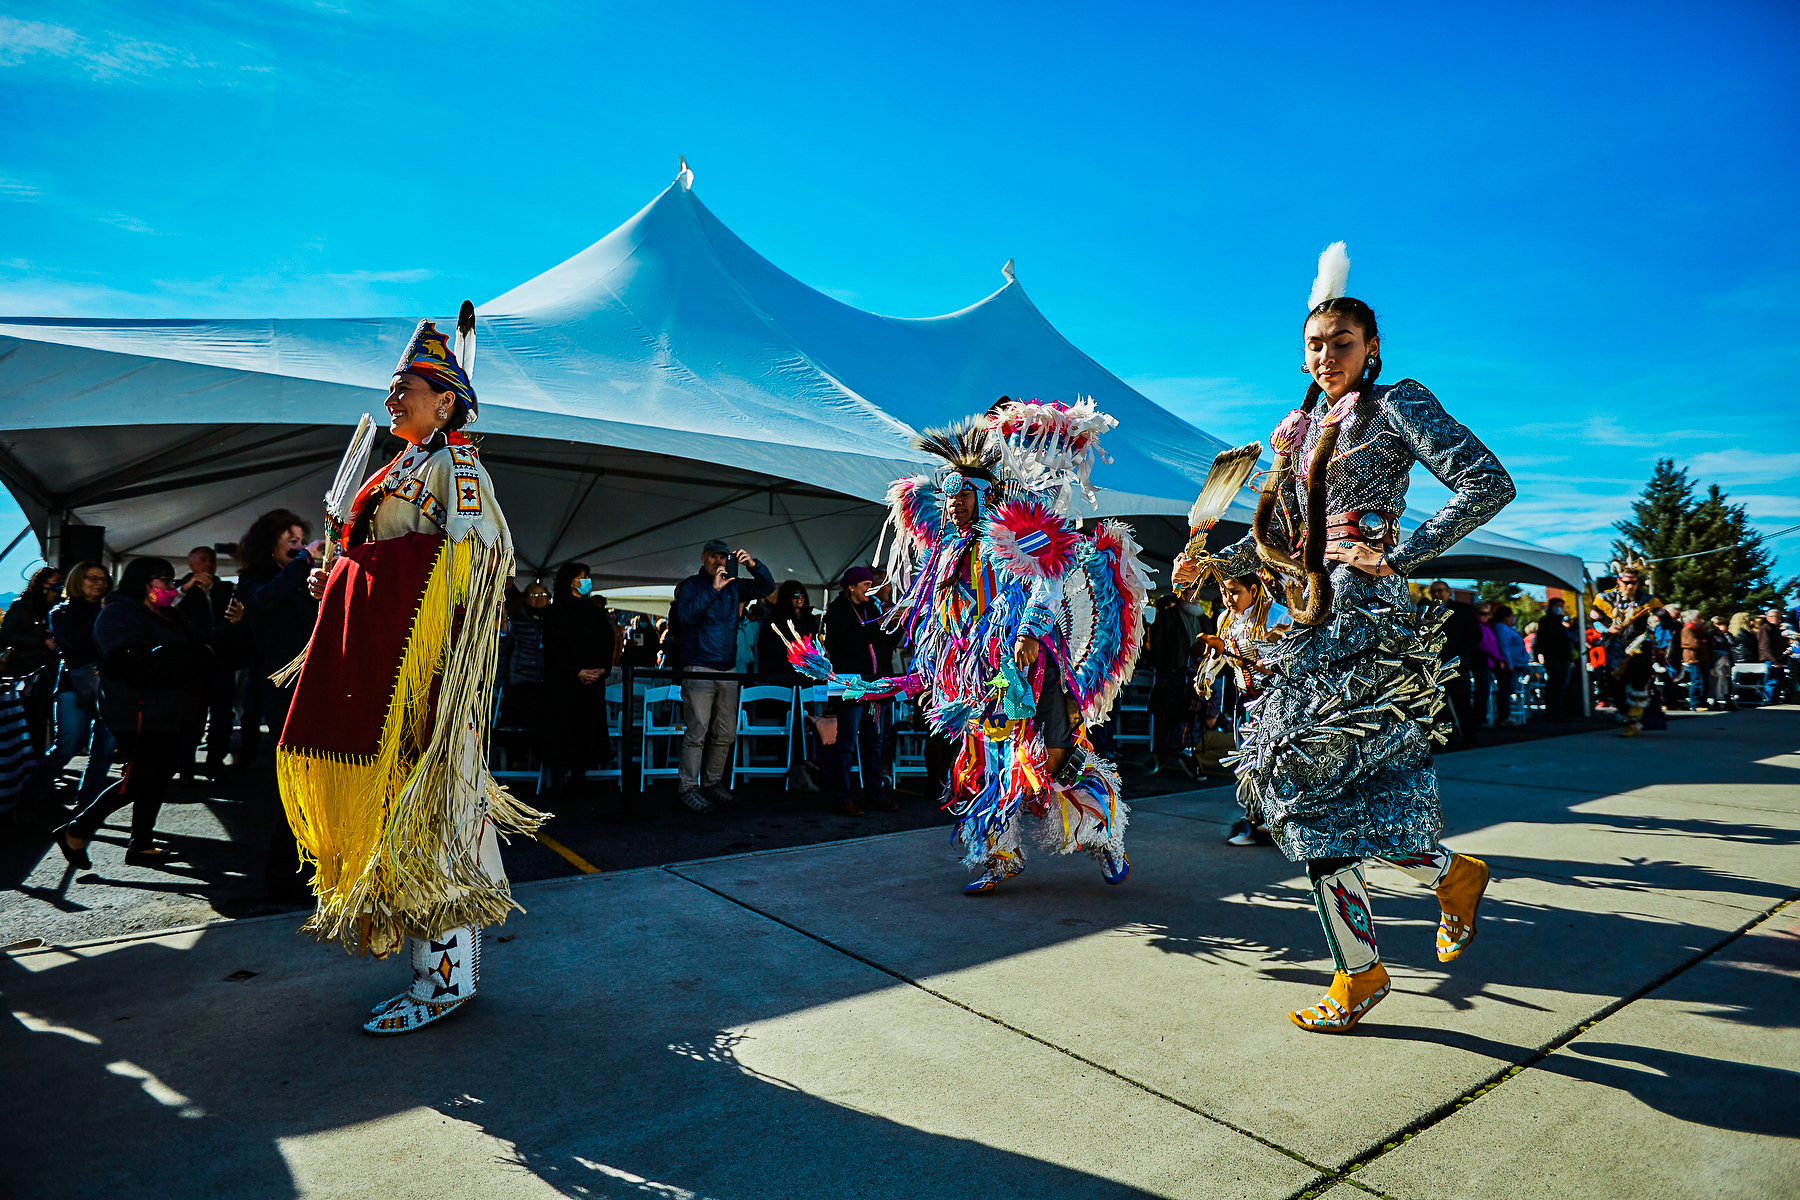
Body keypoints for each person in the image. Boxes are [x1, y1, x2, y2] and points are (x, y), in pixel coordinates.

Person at [1174, 243, 1512, 1032]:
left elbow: (1487, 481)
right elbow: (1285, 540)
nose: (1327, 356)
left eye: (1342, 343)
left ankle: (1372, 959)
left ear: (1372, 349)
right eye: (1315, 346)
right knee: (1320, 796)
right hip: (1311, 615)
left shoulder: (1398, 403)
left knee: (1293, 782)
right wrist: (1209, 563)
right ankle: (1435, 889)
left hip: (1364, 622)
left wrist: (1397, 550)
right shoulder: (1296, 436)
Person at [279, 315, 545, 1035]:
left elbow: (479, 561)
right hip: (384, 670)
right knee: (398, 814)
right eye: (391, 389)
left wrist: (364, 575)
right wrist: (337, 580)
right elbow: (387, 557)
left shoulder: (457, 467)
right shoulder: (396, 468)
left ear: (447, 401)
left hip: (422, 677)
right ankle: (428, 972)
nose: (393, 399)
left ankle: (446, 978)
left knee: (434, 816)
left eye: (407, 389)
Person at [787, 400, 1148, 893]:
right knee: (988, 771)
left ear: (985, 494)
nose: (954, 502)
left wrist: (1025, 634)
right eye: (949, 493)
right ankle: (1000, 857)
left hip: (1029, 674)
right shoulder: (943, 553)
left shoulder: (1012, 537)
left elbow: (1046, 580)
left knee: (1051, 767)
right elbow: (938, 620)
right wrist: (924, 669)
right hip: (975, 681)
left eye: (965, 493)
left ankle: (1106, 836)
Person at [54, 558, 213, 870]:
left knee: (156, 777)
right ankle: (76, 831)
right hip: (135, 710)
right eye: (164, 580)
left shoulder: (168, 614)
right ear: (143, 582)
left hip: (167, 708)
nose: (170, 587)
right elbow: (135, 662)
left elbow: (203, 643)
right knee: (140, 778)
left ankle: (141, 845)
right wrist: (188, 658)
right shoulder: (117, 613)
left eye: (171, 580)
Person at [12, 562, 117, 828]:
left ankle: (87, 810)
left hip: (112, 686)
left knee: (103, 751)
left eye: (103, 579)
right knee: (67, 746)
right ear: (77, 580)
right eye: (92, 578)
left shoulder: (115, 610)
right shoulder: (61, 612)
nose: (99, 583)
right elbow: (78, 644)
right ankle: (30, 797)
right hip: (74, 686)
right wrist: (101, 615)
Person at [671, 539, 773, 812]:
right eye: (715, 557)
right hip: (699, 666)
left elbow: (767, 588)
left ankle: (712, 783)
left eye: (723, 558)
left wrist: (753, 565)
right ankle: (688, 788)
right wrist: (714, 589)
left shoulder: (736, 586)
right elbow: (687, 616)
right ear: (703, 558)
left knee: (726, 732)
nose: (720, 562)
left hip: (728, 669)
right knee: (697, 731)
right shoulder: (692, 586)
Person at [1192, 570, 1288, 845]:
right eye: (1224, 593)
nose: (1227, 599)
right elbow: (1217, 655)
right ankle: (1254, 820)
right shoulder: (1225, 620)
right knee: (1248, 764)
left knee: (1274, 763)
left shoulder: (1278, 615)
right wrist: (1206, 678)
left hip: (1278, 702)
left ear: (1254, 591)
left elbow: (1300, 653)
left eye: (1234, 592)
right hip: (1246, 701)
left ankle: (1276, 820)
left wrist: (1273, 665)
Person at [235, 509, 319, 769]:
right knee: (295, 752)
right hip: (283, 675)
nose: (300, 547)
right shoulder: (252, 582)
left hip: (315, 671)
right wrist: (304, 558)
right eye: (292, 542)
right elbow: (267, 597)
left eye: (302, 542)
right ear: (269, 546)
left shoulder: (303, 579)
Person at [821, 566, 900, 816]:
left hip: (877, 685)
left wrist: (895, 624)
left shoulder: (873, 609)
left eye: (871, 584)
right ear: (851, 587)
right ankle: (842, 797)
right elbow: (847, 643)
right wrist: (877, 624)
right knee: (846, 743)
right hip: (851, 686)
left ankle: (874, 794)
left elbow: (888, 642)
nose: (871, 589)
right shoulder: (837, 610)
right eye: (866, 584)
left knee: (874, 742)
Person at [542, 562, 614, 793]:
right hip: (564, 684)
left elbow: (607, 639)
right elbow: (553, 647)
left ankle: (580, 775)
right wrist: (575, 671)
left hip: (591, 683)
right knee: (564, 730)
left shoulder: (593, 610)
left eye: (587, 576)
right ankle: (560, 778)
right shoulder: (556, 611)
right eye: (582, 577)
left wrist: (603, 668)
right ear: (571, 580)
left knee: (587, 730)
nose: (585, 581)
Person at [174, 545, 238, 781]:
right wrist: (183, 589)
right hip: (193, 662)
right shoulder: (179, 589)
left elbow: (235, 620)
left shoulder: (226, 589)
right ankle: (186, 767)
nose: (208, 565)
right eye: (202, 560)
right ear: (191, 565)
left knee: (222, 716)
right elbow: (160, 605)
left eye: (211, 560)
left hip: (222, 660)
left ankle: (215, 763)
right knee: (192, 716)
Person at [1592, 560, 1664, 737]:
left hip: (1640, 645)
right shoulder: (1603, 598)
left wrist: (1658, 637)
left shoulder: (1649, 600)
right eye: (1626, 583)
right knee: (1615, 685)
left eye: (1634, 583)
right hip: (1615, 646)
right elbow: (1594, 620)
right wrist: (1606, 629)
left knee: (1640, 683)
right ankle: (1624, 714)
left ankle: (1634, 722)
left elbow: (1664, 621)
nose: (1630, 586)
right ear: (1618, 581)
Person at [2, 565, 65, 754]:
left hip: (53, 671)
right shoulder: (22, 606)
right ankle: (28, 759)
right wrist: (40, 640)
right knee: (28, 719)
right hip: (25, 670)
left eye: (58, 583)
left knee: (51, 718)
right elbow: (7, 635)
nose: (55, 587)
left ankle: (42, 759)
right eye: (51, 583)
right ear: (40, 584)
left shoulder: (61, 606)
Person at [1146, 593, 1202, 780]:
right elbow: (1156, 647)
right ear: (1180, 595)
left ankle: (1184, 752)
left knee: (1193, 716)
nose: (1194, 596)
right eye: (1188, 592)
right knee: (1170, 717)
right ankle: (1170, 753)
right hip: (1173, 676)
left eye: (1197, 591)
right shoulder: (1166, 617)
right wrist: (1167, 671)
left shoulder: (1203, 618)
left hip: (1199, 676)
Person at [496, 580, 550, 770]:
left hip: (546, 678)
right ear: (527, 598)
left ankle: (538, 759)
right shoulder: (518, 619)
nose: (539, 598)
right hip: (521, 677)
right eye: (534, 595)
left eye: (543, 594)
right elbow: (506, 641)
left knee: (543, 721)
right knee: (520, 719)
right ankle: (517, 759)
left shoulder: (553, 618)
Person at [1427, 580, 1483, 746]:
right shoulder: (1428, 612)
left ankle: (1470, 738)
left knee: (1462, 704)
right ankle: (1444, 740)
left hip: (1456, 665)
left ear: (1448, 592)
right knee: (1438, 706)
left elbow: (1475, 635)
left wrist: (1460, 654)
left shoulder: (1462, 610)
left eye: (1440, 591)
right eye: (1433, 592)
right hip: (1435, 667)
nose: (1437, 595)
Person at [758, 581, 816, 676]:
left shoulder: (810, 619)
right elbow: (771, 648)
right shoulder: (775, 620)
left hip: (806, 670)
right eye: (795, 594)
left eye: (802, 594)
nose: (800, 597)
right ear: (786, 597)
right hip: (783, 670)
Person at [1533, 596, 1574, 721]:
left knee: (1561, 685)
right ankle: (1554, 712)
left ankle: (1559, 710)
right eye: (1557, 606)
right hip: (1554, 657)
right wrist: (1544, 653)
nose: (1560, 609)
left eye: (1561, 606)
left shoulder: (1561, 623)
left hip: (1563, 657)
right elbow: (1543, 640)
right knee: (1555, 684)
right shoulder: (1547, 621)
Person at [1490, 605, 1530, 726]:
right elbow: (1504, 647)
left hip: (1515, 663)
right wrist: (1509, 663)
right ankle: (1504, 717)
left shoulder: (1505, 628)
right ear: (1506, 617)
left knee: (1507, 690)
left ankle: (1505, 715)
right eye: (1512, 616)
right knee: (1505, 690)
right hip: (1509, 665)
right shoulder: (1501, 628)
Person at [1679, 610, 1715, 711]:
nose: (1702, 619)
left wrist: (1706, 642)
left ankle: (1703, 702)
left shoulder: (1701, 630)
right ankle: (1696, 704)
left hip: (1704, 657)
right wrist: (1706, 642)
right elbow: (1695, 644)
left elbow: (1712, 642)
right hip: (1693, 658)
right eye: (1699, 617)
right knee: (1697, 681)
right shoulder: (1688, 629)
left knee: (1704, 681)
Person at [1757, 606, 1792, 706]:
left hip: (1779, 659)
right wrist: (1774, 661)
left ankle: (1775, 702)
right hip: (1769, 660)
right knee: (1772, 682)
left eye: (1777, 617)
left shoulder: (1778, 630)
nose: (1774, 618)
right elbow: (1765, 647)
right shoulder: (1765, 628)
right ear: (1767, 618)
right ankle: (1770, 702)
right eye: (1772, 616)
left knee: (1778, 682)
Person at [1709, 614, 1737, 710]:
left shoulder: (1724, 635)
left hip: (1726, 661)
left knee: (1727, 681)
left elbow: (1733, 643)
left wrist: (1726, 634)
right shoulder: (1712, 635)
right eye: (1718, 624)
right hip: (1716, 661)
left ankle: (1727, 700)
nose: (1721, 626)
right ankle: (1716, 701)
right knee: (1717, 682)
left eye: (1722, 623)